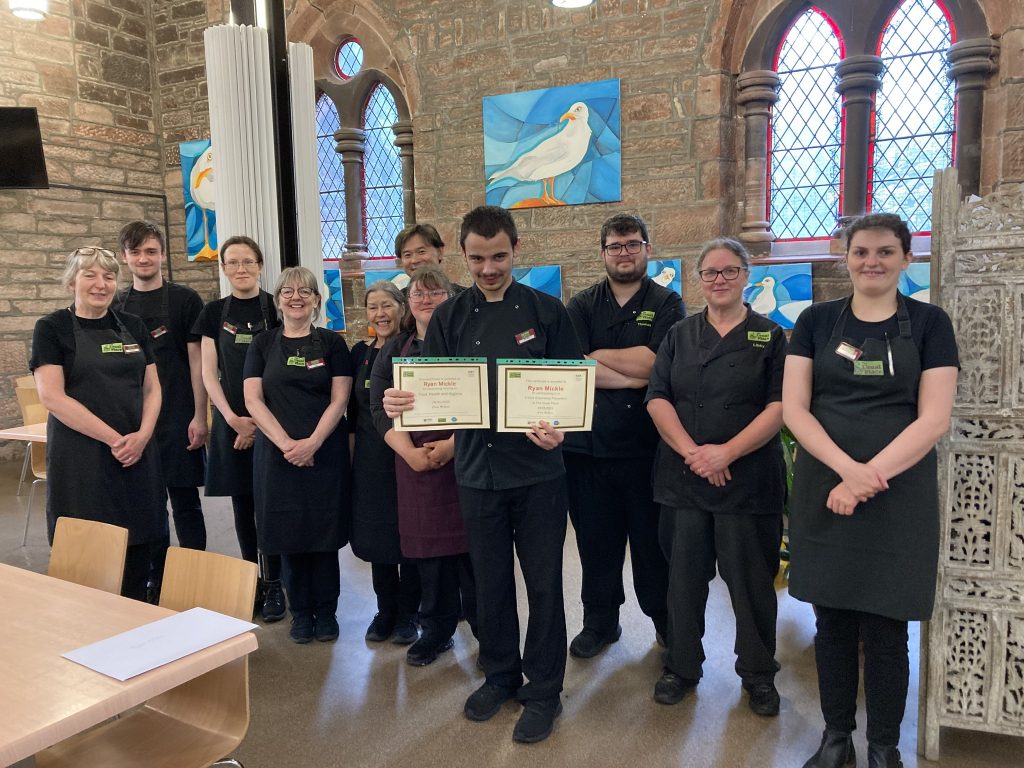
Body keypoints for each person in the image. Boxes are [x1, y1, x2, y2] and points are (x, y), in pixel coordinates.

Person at [384, 206, 583, 744]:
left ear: (516, 249)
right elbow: (432, 392)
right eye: (477, 259)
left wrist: (561, 430)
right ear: (463, 256)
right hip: (476, 472)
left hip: (538, 474)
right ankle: (500, 675)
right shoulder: (449, 317)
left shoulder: (547, 311)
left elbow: (570, 389)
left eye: (498, 256)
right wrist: (402, 401)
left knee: (543, 584)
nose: (489, 268)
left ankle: (544, 689)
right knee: (490, 583)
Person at [782, 213, 959, 768]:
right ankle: (836, 739)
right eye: (861, 251)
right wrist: (846, 472)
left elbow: (934, 419)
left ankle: (883, 747)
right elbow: (795, 409)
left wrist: (866, 478)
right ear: (847, 257)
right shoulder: (816, 321)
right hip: (825, 486)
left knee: (887, 626)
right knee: (831, 622)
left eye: (885, 251)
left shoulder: (930, 324)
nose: (872, 261)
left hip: (898, 494)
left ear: (907, 257)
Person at [645, 237, 787, 716]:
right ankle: (681, 666)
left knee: (750, 583)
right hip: (683, 479)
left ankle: (759, 674)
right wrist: (694, 454)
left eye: (729, 271)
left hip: (747, 480)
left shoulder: (771, 336)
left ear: (746, 276)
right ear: (699, 279)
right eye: (710, 272)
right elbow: (658, 397)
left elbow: (780, 406)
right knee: (683, 580)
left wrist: (726, 452)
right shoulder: (679, 334)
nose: (719, 279)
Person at [563, 212, 684, 659]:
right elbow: (574, 368)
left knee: (653, 546)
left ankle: (666, 624)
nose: (624, 253)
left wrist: (601, 356)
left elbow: (659, 364)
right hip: (588, 451)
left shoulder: (668, 303)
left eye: (633, 244)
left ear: (647, 248)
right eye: (615, 246)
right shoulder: (580, 305)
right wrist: (635, 376)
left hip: (646, 450)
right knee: (595, 543)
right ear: (603, 253)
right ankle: (600, 622)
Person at [31, 246, 165, 601]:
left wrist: (143, 436)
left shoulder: (132, 325)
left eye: (108, 276)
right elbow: (53, 397)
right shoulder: (52, 328)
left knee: (139, 547)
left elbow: (152, 388)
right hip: (83, 461)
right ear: (71, 281)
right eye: (89, 275)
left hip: (137, 455)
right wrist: (115, 440)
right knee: (86, 554)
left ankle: (137, 617)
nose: (100, 284)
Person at [370, 266, 477, 666]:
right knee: (430, 561)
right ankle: (436, 631)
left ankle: (489, 635)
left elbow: (488, 400)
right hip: (414, 465)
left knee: (473, 560)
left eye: (435, 293)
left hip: (465, 461)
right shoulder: (393, 350)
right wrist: (409, 453)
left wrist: (453, 446)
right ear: (408, 302)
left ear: (451, 298)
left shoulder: (469, 342)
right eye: (418, 293)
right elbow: (377, 408)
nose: (426, 300)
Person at [243, 267, 354, 644]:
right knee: (288, 534)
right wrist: (287, 444)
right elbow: (252, 399)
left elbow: (340, 399)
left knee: (323, 535)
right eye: (288, 292)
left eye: (305, 291)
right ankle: (301, 612)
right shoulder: (262, 344)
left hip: (324, 453)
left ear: (317, 300)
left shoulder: (332, 344)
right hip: (277, 457)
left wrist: (312, 443)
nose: (296, 297)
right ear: (277, 301)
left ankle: (327, 612)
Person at [192, 235, 286, 622]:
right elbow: (208, 372)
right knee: (243, 506)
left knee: (272, 503)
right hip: (231, 422)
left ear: (260, 265)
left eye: (248, 261)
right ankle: (253, 581)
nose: (241, 268)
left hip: (272, 423)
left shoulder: (277, 307)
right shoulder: (213, 313)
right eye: (233, 262)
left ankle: (276, 582)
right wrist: (232, 420)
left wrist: (258, 424)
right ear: (224, 268)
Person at [116, 221, 207, 600]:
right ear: (125, 257)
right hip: (135, 423)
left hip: (179, 418)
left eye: (151, 251)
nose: (144, 258)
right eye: (136, 252)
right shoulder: (116, 306)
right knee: (148, 506)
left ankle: (195, 575)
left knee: (185, 503)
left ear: (163, 255)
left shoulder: (185, 301)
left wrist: (200, 415)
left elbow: (198, 363)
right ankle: (159, 576)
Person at [348, 280, 420, 645]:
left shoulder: (414, 348)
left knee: (410, 536)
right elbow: (351, 415)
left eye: (387, 305)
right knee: (379, 538)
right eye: (373, 307)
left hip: (408, 457)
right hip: (370, 461)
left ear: (401, 308)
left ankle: (410, 612)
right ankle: (385, 610)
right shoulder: (358, 353)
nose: (380, 313)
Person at [395, 223, 467, 293]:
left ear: (440, 252)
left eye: (421, 251)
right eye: (407, 255)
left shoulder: (464, 297)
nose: (414, 260)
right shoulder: (398, 299)